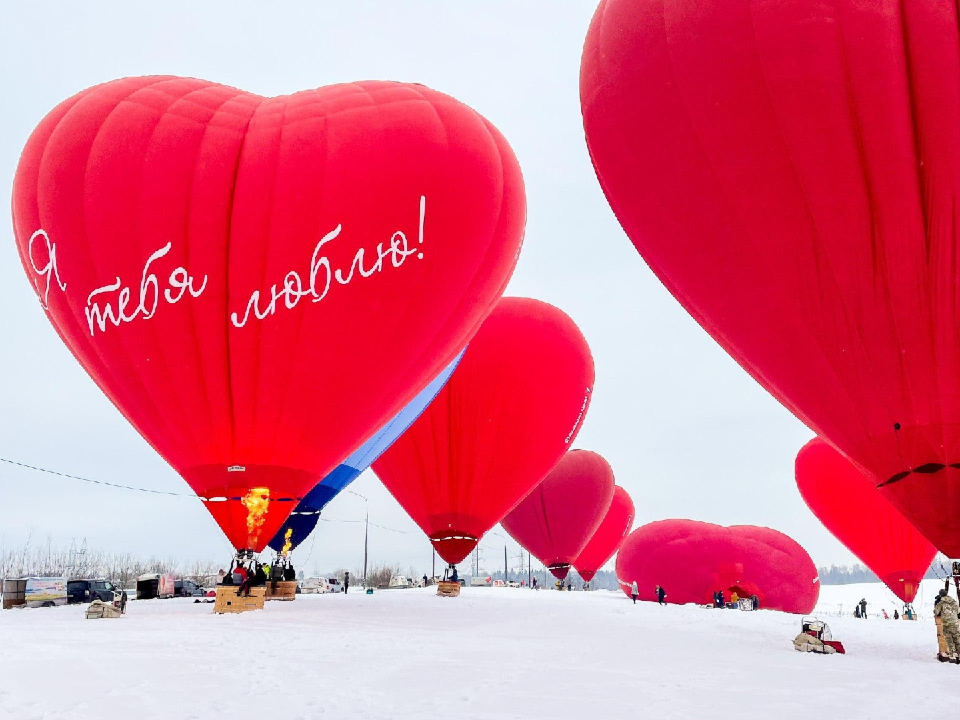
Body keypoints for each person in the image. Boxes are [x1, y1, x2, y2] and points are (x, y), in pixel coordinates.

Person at [935, 588, 960, 663]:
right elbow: (958, 611)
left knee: (949, 640)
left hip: (946, 624)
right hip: (955, 623)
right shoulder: (954, 602)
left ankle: (953, 657)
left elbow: (936, 612)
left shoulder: (941, 603)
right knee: (957, 640)